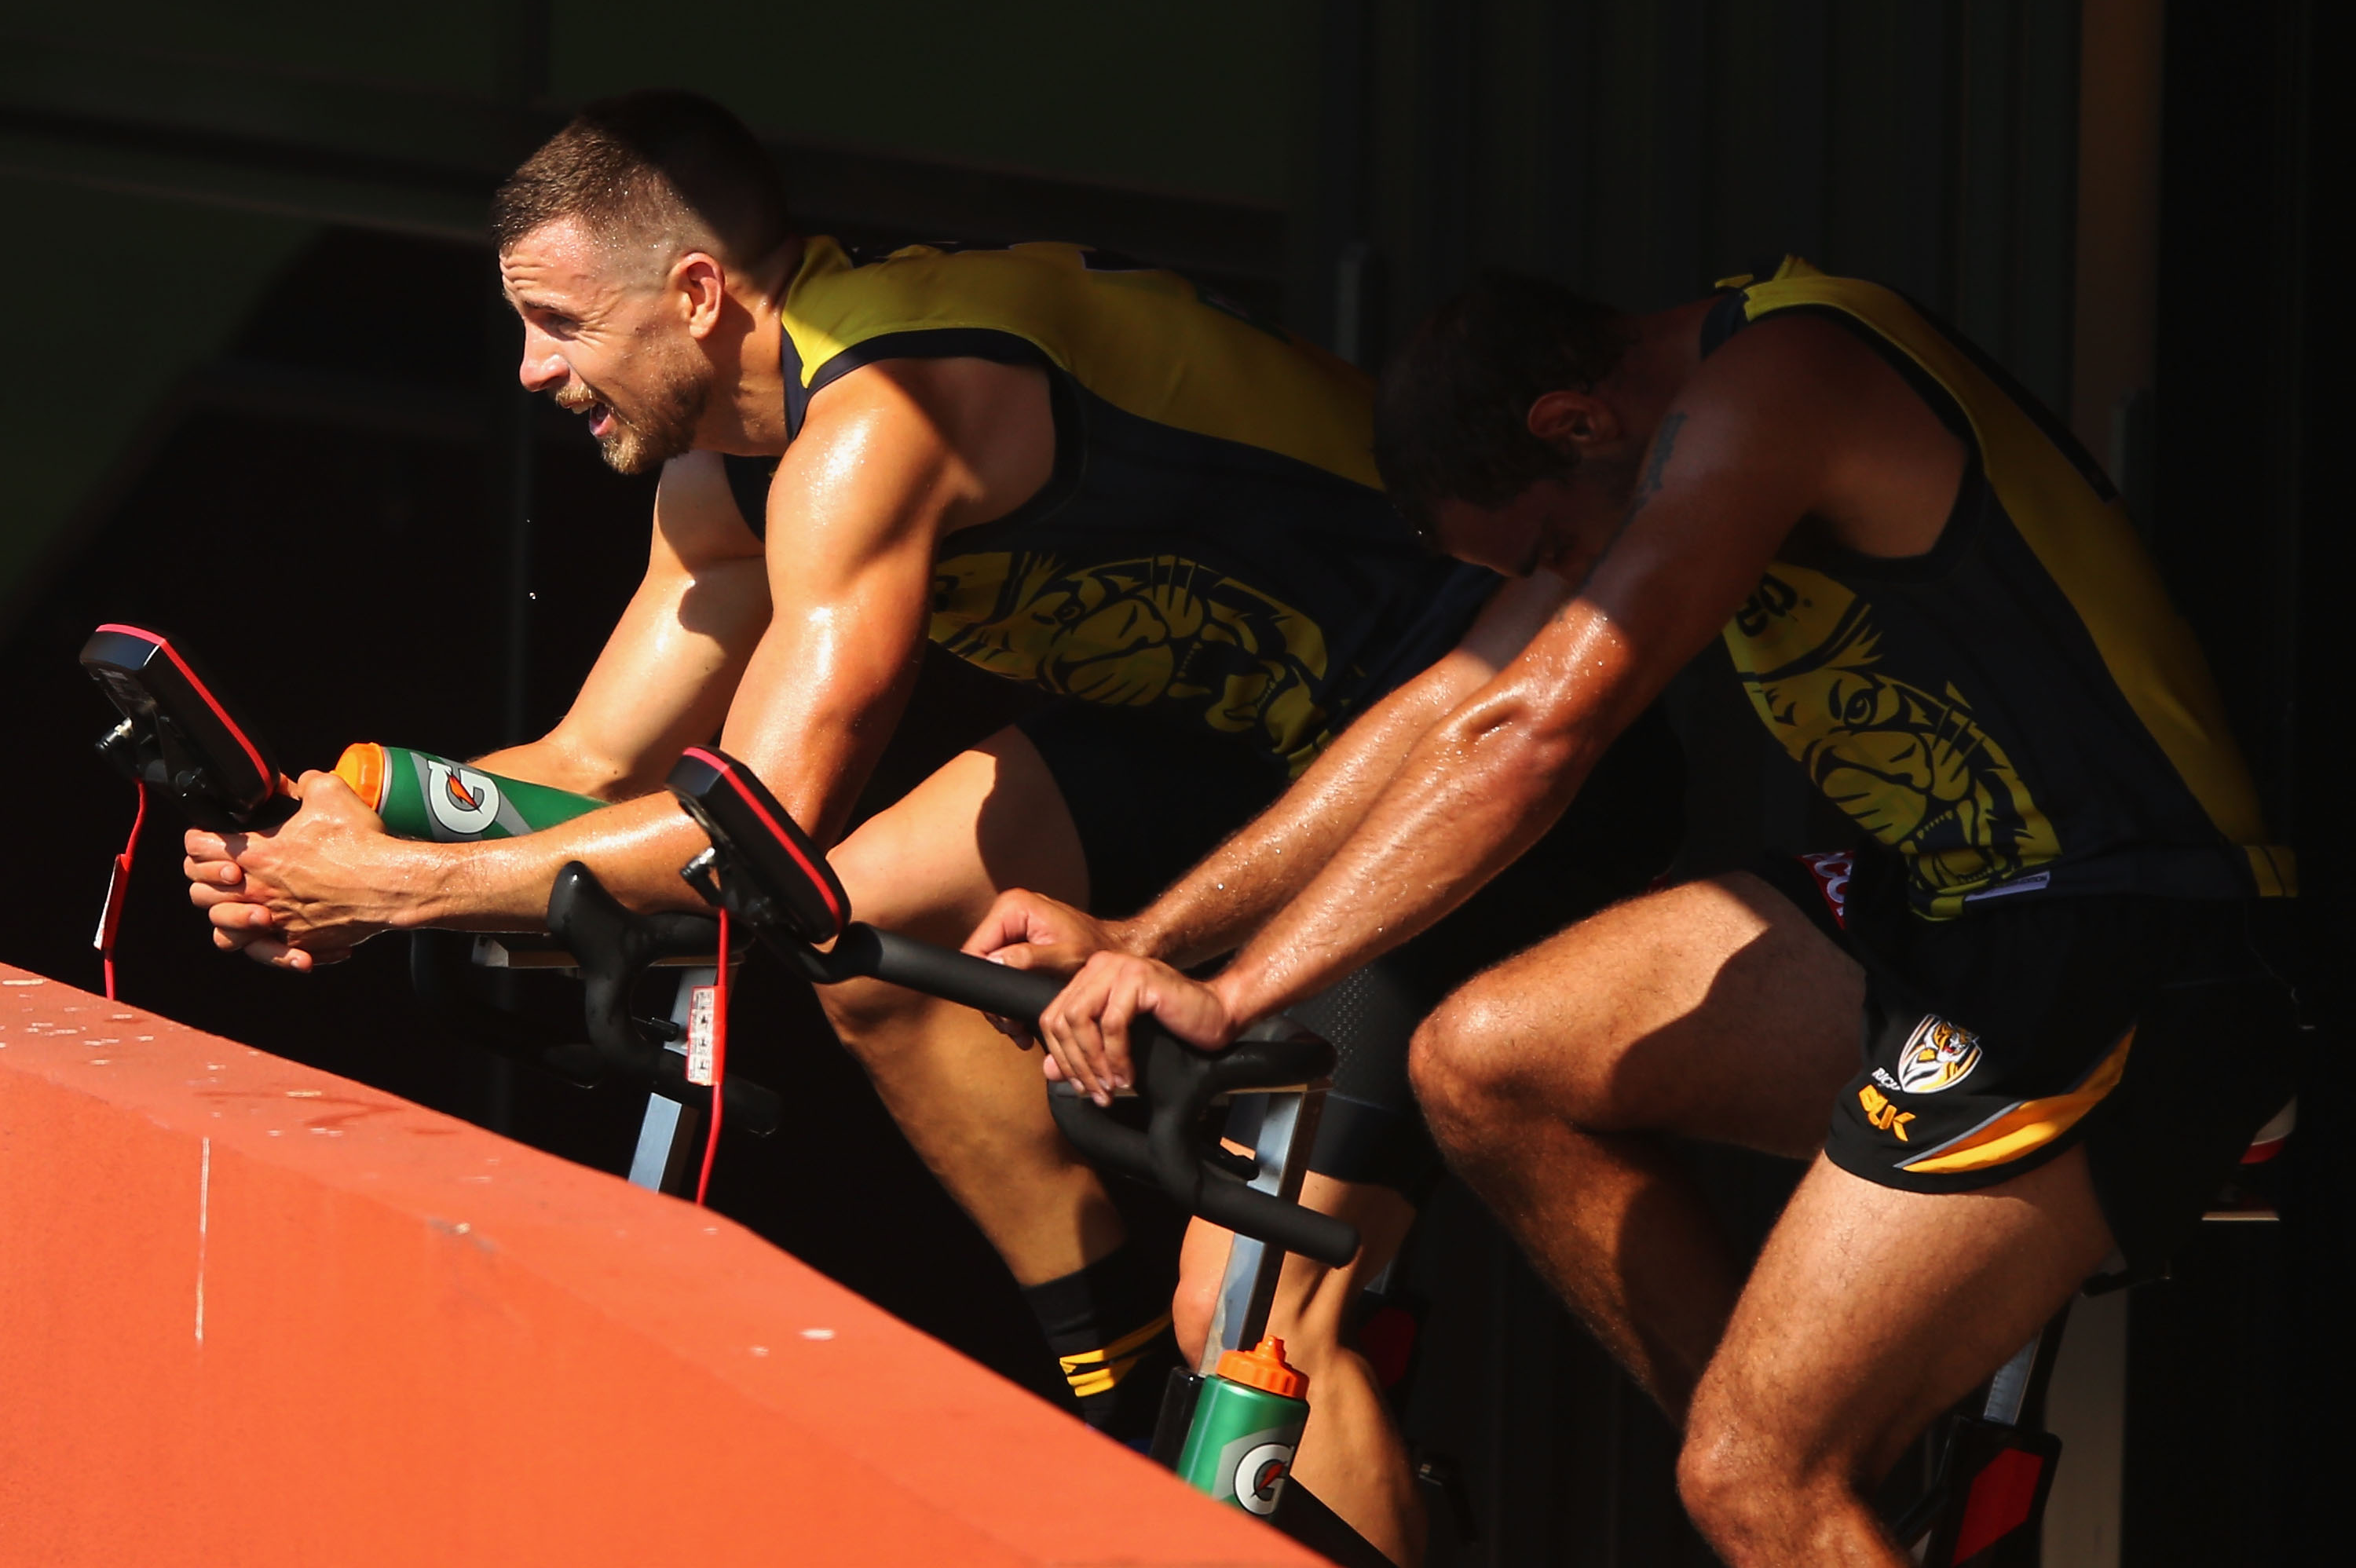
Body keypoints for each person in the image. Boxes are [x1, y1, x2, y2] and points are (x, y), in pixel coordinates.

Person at [174, 90, 1659, 1557]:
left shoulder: (873, 421)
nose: (525, 369)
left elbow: (739, 834)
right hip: (1248, 737)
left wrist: (402, 897)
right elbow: (589, 761)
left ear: (696, 295)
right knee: (870, 939)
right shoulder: (727, 464)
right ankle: (1127, 1403)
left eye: (557, 324)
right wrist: (348, 826)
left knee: (1261, 1313)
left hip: (1465, 732)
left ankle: (1221, 1403)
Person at [995, 261, 2299, 1565]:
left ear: (1574, 425)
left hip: (2133, 929)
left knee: (1750, 1478)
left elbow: (1538, 733)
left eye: (1553, 552)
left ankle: (1790, 1489)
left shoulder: (1782, 381)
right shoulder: (1661, 438)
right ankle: (1829, 1493)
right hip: (1945, 914)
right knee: (1487, 1059)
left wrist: (1235, 996)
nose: (1559, 578)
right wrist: (1144, 941)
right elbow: (1460, 697)